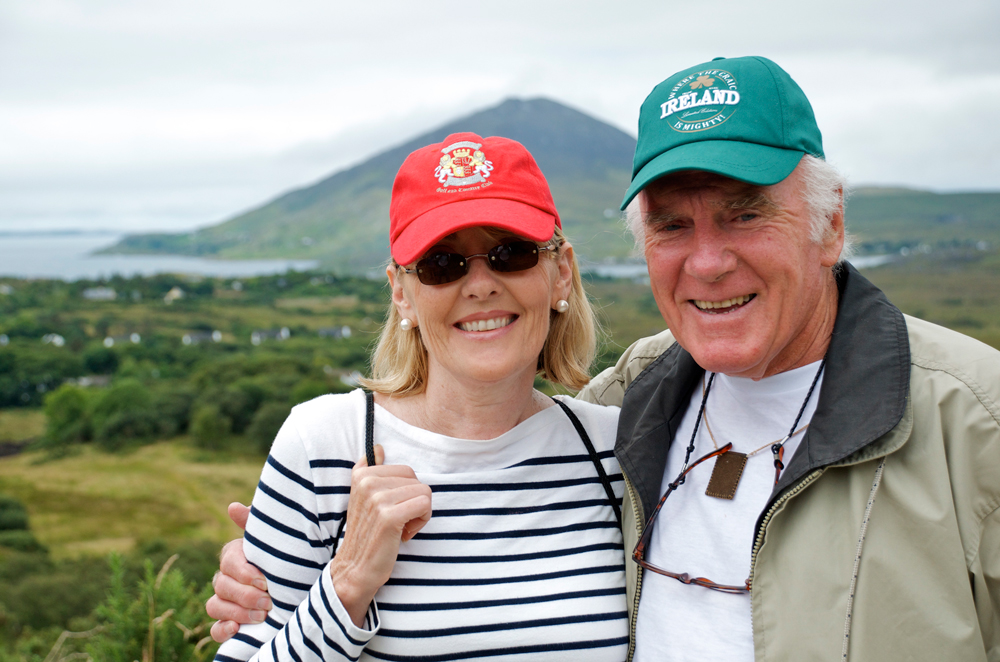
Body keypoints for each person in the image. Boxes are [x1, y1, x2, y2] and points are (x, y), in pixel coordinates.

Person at [211, 56, 1000, 661]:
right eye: (444, 265)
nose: (710, 262)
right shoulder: (634, 407)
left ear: (830, 227)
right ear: (401, 292)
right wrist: (337, 590)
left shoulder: (974, 419)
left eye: (745, 214)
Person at [211, 132, 629, 661]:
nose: (480, 285)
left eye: (511, 254)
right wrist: (347, 585)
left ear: (561, 271)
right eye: (441, 264)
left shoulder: (614, 451)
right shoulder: (324, 446)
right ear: (401, 292)